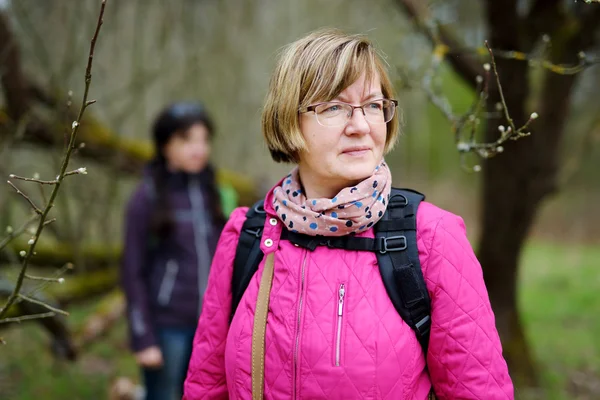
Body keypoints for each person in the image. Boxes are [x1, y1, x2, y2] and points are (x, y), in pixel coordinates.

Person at [184, 29, 514, 399]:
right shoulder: (248, 234)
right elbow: (205, 385)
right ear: (288, 119)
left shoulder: (431, 239)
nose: (361, 126)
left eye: (373, 105)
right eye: (334, 107)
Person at [121, 102, 233, 400]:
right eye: (187, 140)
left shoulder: (217, 193)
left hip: (211, 328)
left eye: (204, 139)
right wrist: (143, 337)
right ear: (165, 144)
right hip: (166, 327)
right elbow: (132, 271)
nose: (199, 148)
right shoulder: (146, 197)